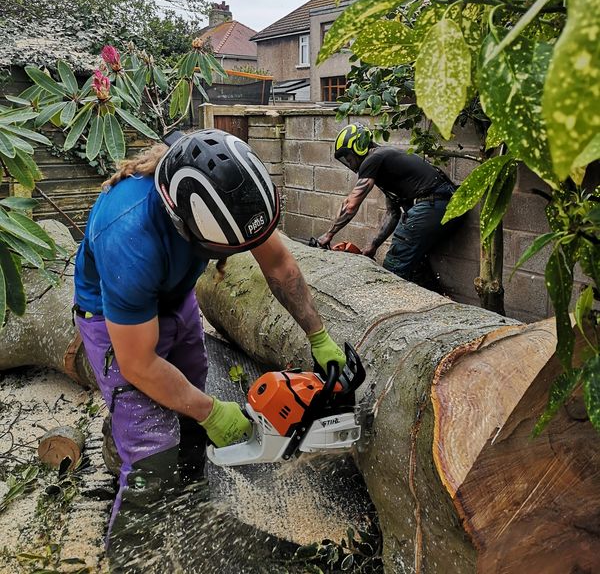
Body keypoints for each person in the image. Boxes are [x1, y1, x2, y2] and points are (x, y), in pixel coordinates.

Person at [72, 128, 346, 560]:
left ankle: (189, 504)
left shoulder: (221, 181)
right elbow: (139, 363)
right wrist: (213, 411)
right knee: (152, 453)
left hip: (175, 299)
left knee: (191, 414)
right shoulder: (128, 236)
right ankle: (132, 556)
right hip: (115, 325)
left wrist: (319, 335)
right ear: (185, 224)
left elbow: (278, 263)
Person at [316, 123, 458, 286]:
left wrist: (328, 235)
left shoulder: (373, 158)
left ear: (359, 146)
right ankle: (434, 300)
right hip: (440, 203)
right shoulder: (385, 165)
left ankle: (393, 305)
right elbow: (393, 213)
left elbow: (351, 205)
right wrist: (373, 245)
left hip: (436, 201)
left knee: (395, 263)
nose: (349, 162)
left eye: (348, 157)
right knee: (416, 265)